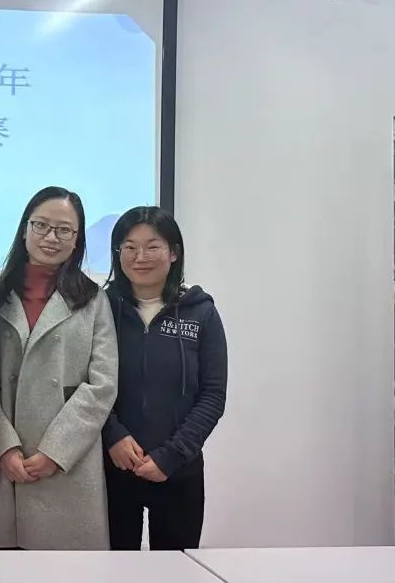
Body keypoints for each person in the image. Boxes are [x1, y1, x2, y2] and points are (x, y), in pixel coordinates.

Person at [0, 187, 118, 550]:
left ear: (77, 239)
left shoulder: (93, 299)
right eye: (41, 225)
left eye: (64, 230)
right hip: (9, 460)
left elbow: (102, 385)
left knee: (69, 569)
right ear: (25, 228)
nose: (51, 237)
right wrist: (3, 447)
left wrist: (56, 451)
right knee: (9, 569)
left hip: (69, 463)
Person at [102, 206, 227, 551]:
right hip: (111, 467)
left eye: (152, 246)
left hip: (178, 469)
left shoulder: (201, 312)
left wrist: (172, 455)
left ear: (173, 252)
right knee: (110, 570)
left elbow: (213, 395)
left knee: (175, 570)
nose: (140, 257)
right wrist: (113, 435)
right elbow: (83, 382)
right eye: (129, 247)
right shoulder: (100, 309)